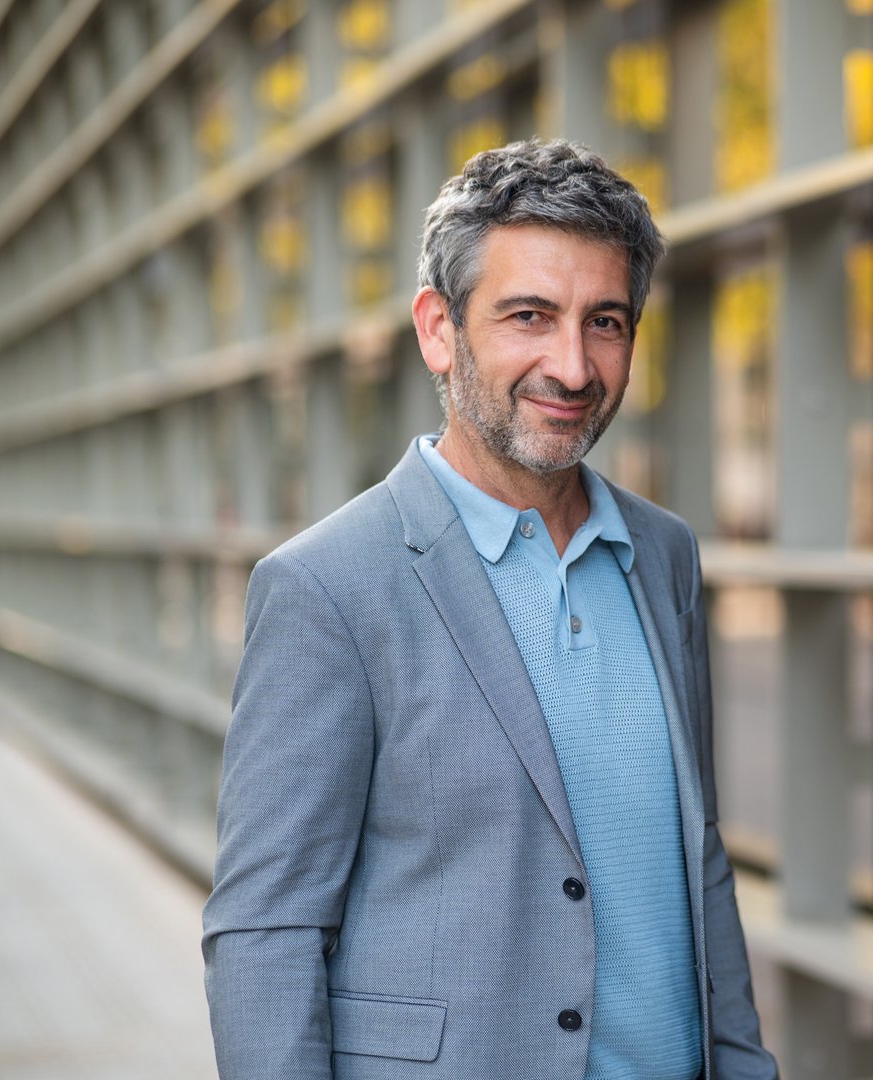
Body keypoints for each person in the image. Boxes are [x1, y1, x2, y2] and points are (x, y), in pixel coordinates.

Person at [202, 138, 777, 1080]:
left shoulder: (663, 556)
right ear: (438, 328)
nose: (574, 366)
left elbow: (697, 857)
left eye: (606, 323)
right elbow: (266, 930)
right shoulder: (327, 587)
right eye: (528, 316)